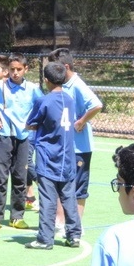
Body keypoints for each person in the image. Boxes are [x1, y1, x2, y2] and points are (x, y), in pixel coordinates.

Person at [24, 62, 81, 249]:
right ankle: (74, 236)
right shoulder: (70, 100)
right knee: (69, 198)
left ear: (46, 81)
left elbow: (30, 123)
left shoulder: (44, 101)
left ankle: (45, 239)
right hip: (67, 157)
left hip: (49, 157)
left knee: (48, 199)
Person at [0, 53, 42, 231]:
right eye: (12, 69)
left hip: (24, 138)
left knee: (20, 178)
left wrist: (35, 123)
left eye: (19, 69)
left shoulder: (32, 89)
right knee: (1, 177)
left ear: (26, 70)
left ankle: (17, 216)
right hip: (4, 136)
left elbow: (42, 105)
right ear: (8, 70)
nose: (15, 73)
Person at [46, 48, 102, 235]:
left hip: (80, 147)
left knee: (78, 186)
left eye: (55, 66)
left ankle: (76, 224)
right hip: (64, 146)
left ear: (66, 66)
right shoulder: (60, 86)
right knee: (62, 183)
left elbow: (96, 105)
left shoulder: (77, 84)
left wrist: (82, 121)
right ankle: (61, 222)